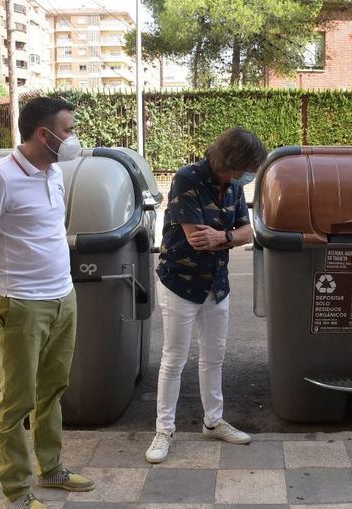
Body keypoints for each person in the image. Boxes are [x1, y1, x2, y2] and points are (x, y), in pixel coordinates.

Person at [0, 96, 94, 509]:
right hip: (21, 305)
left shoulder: (53, 173)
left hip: (62, 297)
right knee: (16, 401)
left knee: (53, 390)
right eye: (68, 130)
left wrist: (65, 290)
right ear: (44, 134)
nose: (72, 138)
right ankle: (16, 492)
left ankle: (50, 468)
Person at [146, 127, 267, 464]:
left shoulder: (233, 187)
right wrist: (228, 236)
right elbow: (197, 237)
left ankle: (213, 422)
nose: (249, 175)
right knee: (174, 359)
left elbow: (248, 230)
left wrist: (225, 235)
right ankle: (164, 430)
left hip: (218, 284)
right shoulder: (188, 178)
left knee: (214, 357)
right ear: (231, 161)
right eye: (247, 168)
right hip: (180, 283)